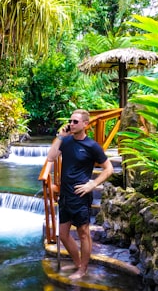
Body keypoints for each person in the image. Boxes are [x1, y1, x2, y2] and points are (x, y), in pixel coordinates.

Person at [46, 109, 114, 280]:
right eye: (70, 121)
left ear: (85, 124)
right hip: (65, 195)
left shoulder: (92, 146)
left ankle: (83, 269)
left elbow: (109, 169)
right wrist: (60, 136)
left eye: (75, 121)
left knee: (83, 233)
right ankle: (78, 263)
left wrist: (92, 184)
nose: (71, 124)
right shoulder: (66, 141)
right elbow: (51, 157)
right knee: (63, 234)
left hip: (80, 196)